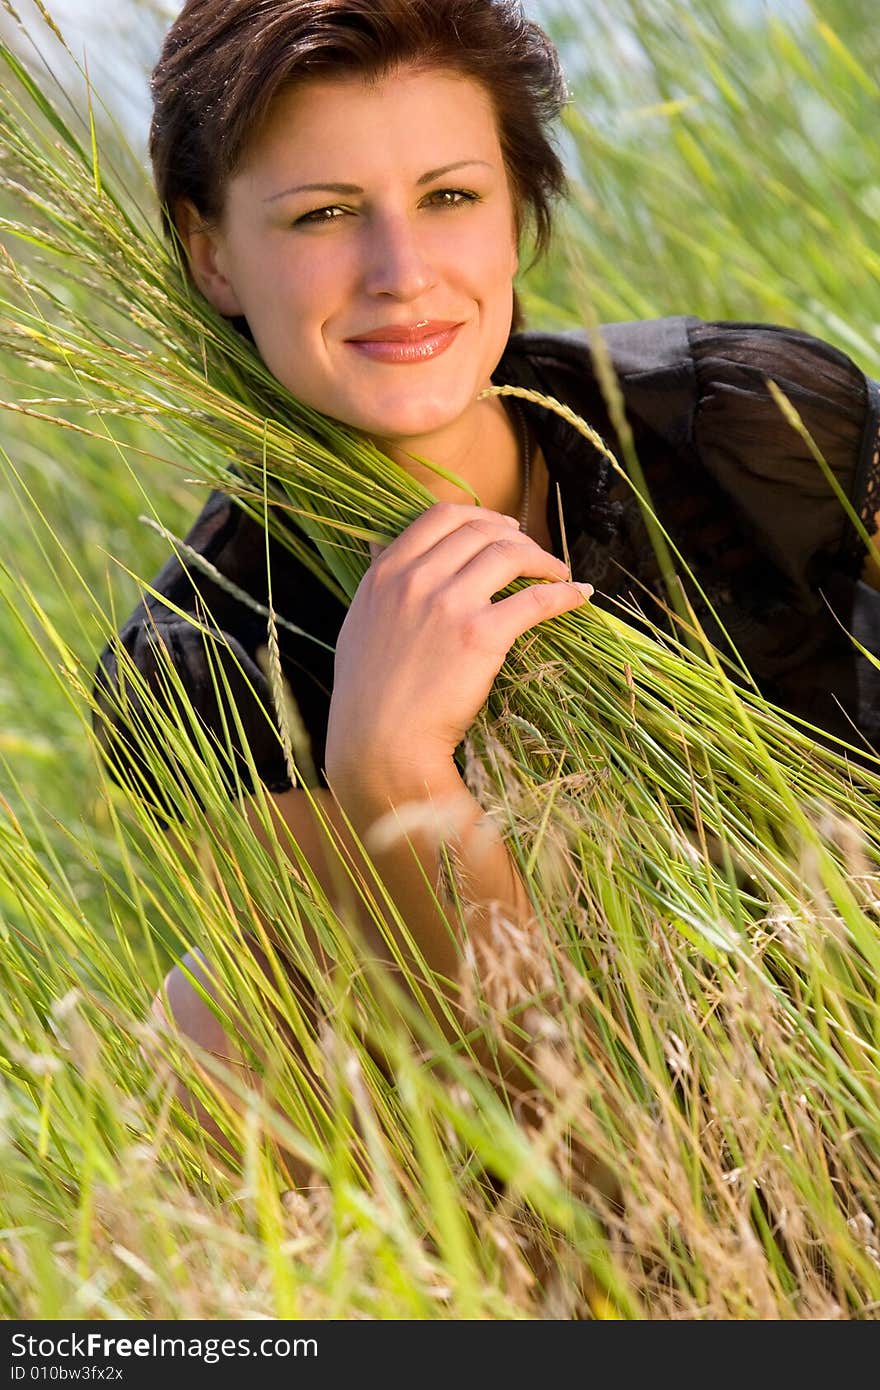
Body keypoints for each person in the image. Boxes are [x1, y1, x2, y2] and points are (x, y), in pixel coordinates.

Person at [94, 0, 880, 1155]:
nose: (400, 274)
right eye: (322, 214)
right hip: (663, 1121)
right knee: (214, 1019)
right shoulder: (207, 664)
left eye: (450, 197)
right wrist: (388, 769)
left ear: (515, 215)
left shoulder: (738, 417)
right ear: (211, 253)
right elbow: (537, 1106)